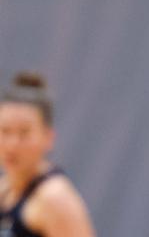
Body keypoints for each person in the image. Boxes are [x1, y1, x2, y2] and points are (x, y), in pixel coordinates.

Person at [0, 71, 95, 237]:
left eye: (24, 133)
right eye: (5, 131)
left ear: (48, 138)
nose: (12, 145)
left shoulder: (55, 199)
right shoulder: (4, 189)